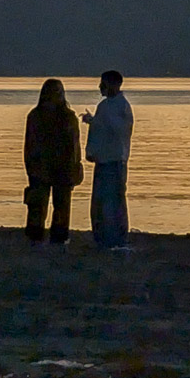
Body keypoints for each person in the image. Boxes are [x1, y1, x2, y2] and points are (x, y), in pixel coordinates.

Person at [22, 78, 82, 244]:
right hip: (54, 167)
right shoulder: (67, 117)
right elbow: (74, 145)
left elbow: (29, 145)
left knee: (43, 205)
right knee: (56, 205)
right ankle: (55, 236)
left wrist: (30, 166)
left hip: (46, 166)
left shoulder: (36, 116)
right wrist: (76, 166)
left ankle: (39, 235)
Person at [80, 69, 133, 249]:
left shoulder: (122, 107)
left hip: (115, 161)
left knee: (114, 201)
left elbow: (118, 130)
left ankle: (117, 237)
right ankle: (102, 236)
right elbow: (102, 129)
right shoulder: (105, 106)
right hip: (103, 160)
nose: (100, 87)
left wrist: (95, 122)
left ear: (114, 84)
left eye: (103, 83)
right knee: (100, 201)